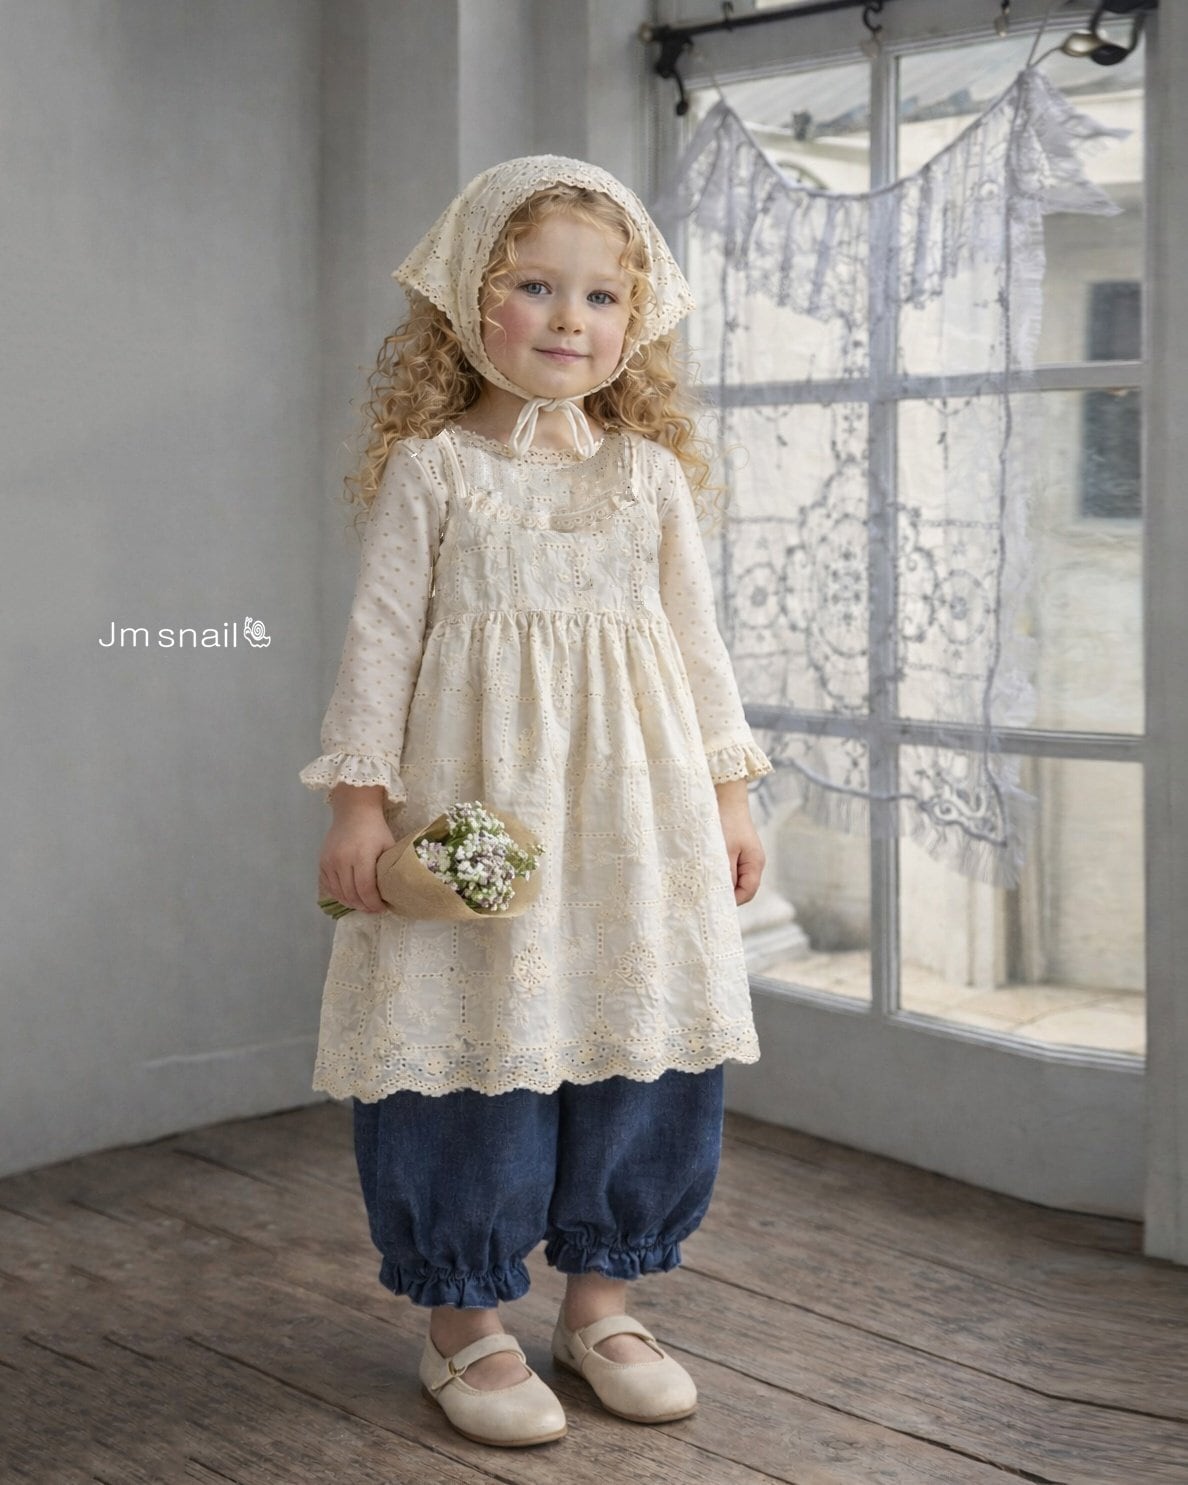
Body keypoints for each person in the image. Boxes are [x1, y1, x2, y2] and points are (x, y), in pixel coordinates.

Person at [299, 154, 773, 1449]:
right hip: (481, 819)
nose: (572, 318)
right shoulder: (436, 472)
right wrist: (359, 809)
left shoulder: (646, 478)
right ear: (470, 300)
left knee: (637, 1029)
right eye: (535, 286)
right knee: (475, 1039)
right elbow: (380, 650)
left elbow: (699, 650)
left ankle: (603, 1304)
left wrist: (731, 797)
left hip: (638, 817)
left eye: (603, 296)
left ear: (637, 319)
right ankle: (465, 1319)